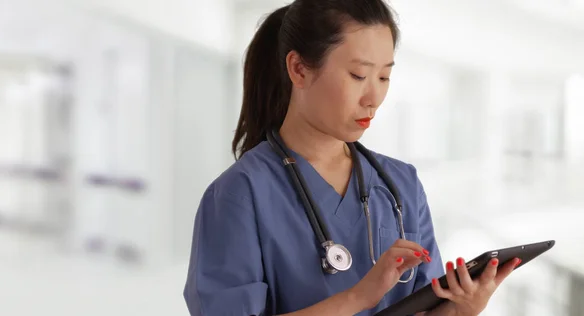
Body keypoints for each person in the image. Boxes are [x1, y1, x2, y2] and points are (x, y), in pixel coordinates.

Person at [183, 0, 520, 315]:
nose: (373, 97)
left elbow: (421, 305)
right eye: (359, 75)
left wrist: (459, 309)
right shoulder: (238, 194)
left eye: (384, 76)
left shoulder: (402, 185)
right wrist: (358, 297)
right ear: (299, 69)